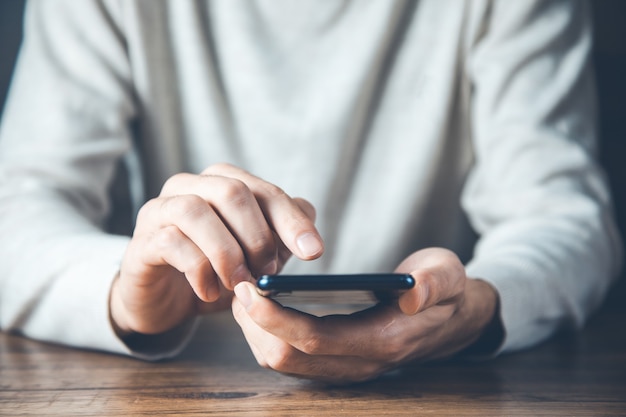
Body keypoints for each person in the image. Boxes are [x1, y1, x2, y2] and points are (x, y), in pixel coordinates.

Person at [0, 0, 621, 383]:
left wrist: (481, 307)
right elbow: (15, 210)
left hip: (436, 383)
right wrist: (128, 294)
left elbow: (564, 214)